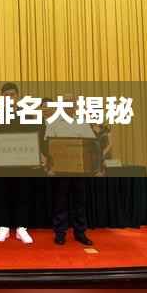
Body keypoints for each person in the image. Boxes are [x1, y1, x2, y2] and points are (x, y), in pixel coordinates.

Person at [0, 83, 44, 244]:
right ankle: (4, 227)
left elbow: (36, 135)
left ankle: (21, 228)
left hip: (23, 164)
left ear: (17, 96)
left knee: (23, 195)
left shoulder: (27, 114)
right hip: (2, 165)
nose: (9, 97)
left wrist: (37, 156)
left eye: (12, 94)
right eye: (6, 95)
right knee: (2, 195)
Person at [44, 95, 96, 246]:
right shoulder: (53, 122)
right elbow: (48, 146)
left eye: (72, 103)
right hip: (60, 170)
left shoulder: (82, 122)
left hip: (79, 169)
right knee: (60, 202)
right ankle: (60, 233)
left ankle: (80, 233)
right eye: (66, 102)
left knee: (80, 202)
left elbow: (90, 143)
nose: (70, 105)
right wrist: (50, 166)